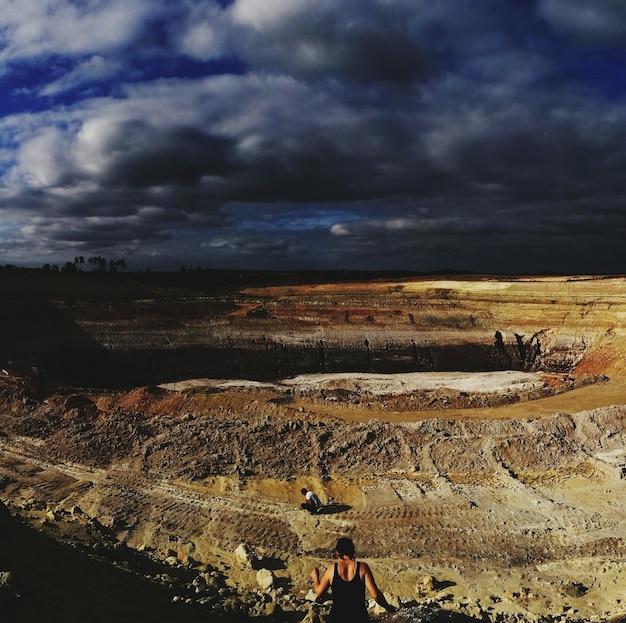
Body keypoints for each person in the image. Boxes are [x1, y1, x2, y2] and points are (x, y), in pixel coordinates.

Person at [310, 537, 396, 621]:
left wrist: (315, 578)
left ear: (337, 552)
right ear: (352, 551)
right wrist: (388, 607)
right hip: (359, 617)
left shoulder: (332, 569)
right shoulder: (362, 567)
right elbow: (375, 595)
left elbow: (319, 592)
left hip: (337, 617)